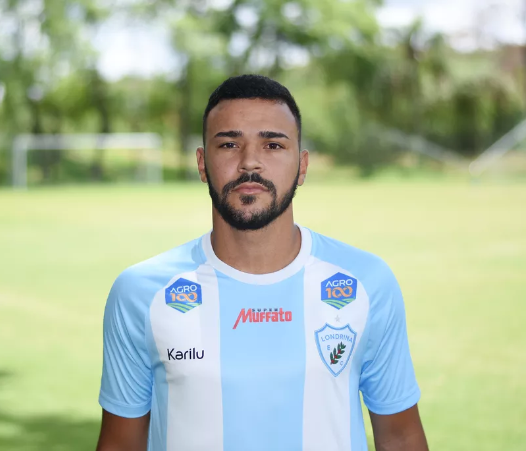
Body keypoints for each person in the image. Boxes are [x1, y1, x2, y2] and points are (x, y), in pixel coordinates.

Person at [96, 75, 428, 451]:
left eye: (273, 145)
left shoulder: (367, 283)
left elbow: (401, 437)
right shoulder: (142, 293)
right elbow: (120, 445)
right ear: (202, 164)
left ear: (302, 165)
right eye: (229, 144)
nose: (249, 162)